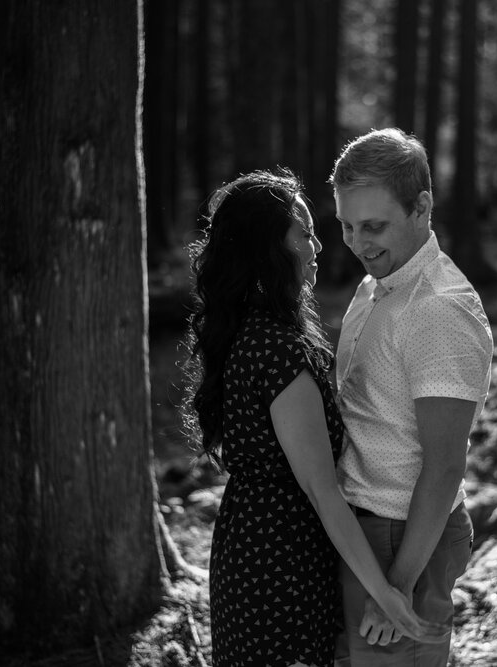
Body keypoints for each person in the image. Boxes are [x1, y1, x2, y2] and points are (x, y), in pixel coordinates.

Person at [183, 169, 448, 667]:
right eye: (304, 232)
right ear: (269, 247)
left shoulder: (246, 329)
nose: (318, 246)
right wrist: (388, 592)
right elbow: (322, 492)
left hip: (249, 547)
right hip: (282, 568)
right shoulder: (280, 353)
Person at [329, 129, 494, 666]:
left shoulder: (439, 310)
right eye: (347, 226)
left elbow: (445, 466)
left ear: (421, 207)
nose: (357, 242)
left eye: (373, 226)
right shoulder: (380, 282)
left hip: (403, 540)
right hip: (368, 530)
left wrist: (395, 584)